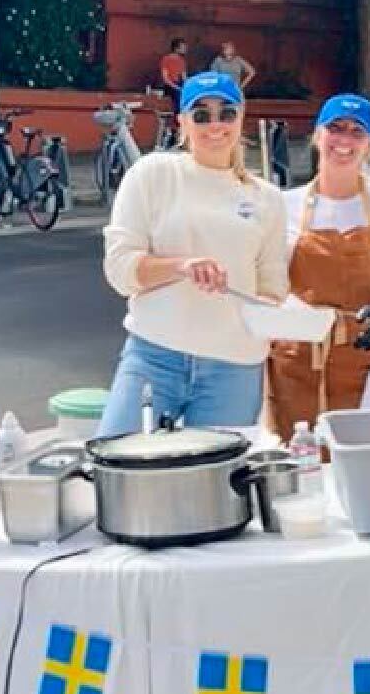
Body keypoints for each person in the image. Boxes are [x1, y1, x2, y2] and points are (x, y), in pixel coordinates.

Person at [99, 71, 289, 436]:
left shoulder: (267, 198)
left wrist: (279, 320)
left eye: (226, 113)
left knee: (216, 487)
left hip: (235, 365)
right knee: (120, 467)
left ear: (241, 118)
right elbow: (120, 270)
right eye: (200, 115)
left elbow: (272, 287)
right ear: (182, 123)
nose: (214, 125)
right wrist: (182, 267)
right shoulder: (152, 174)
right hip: (154, 355)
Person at [265, 93, 370, 435]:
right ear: (317, 135)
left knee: (368, 462)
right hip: (296, 363)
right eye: (335, 128)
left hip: (369, 361)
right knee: (299, 466)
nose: (344, 140)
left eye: (357, 132)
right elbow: (265, 287)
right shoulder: (281, 207)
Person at [159, 37, 188, 115]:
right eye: (183, 47)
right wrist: (177, 87)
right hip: (170, 86)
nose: (185, 49)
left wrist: (186, 87)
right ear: (176, 48)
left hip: (179, 84)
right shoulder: (166, 59)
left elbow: (184, 77)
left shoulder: (182, 60)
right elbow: (165, 78)